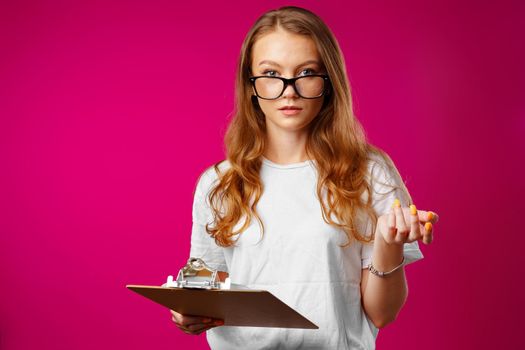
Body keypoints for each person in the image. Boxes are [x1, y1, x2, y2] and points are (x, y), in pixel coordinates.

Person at [170, 5, 439, 350]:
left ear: (328, 81)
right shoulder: (219, 184)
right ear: (250, 84)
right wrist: (190, 314)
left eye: (306, 72)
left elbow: (382, 314)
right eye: (270, 72)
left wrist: (388, 244)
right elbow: (208, 291)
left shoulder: (369, 172)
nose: (288, 90)